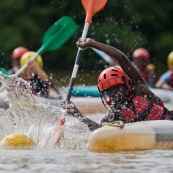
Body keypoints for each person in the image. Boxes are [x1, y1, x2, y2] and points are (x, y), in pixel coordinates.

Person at [60, 38, 173, 132]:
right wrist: (77, 114)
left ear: (126, 85)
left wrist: (92, 43)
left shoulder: (141, 90)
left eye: (117, 88)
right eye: (109, 91)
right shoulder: (114, 114)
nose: (114, 93)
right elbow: (99, 131)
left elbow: (121, 58)